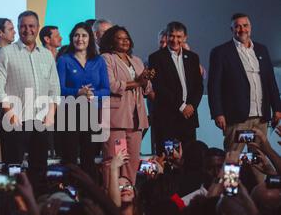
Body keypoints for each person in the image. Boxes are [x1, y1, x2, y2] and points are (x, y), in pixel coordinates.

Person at [0, 10, 60, 194]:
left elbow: (55, 88)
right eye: (23, 26)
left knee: (39, 168)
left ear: (38, 28)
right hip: (16, 120)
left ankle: (39, 207)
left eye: (31, 26)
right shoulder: (6, 53)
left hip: (41, 121)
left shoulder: (46, 55)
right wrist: (10, 113)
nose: (27, 29)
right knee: (12, 168)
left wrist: (51, 114)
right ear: (18, 27)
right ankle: (9, 210)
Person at [208, 13, 281, 153]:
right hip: (236, 117)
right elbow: (214, 86)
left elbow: (270, 82)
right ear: (232, 30)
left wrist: (277, 108)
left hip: (261, 117)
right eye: (237, 26)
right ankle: (230, 177)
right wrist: (218, 113)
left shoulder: (261, 50)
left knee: (259, 160)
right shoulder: (220, 52)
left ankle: (259, 176)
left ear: (250, 28)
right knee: (232, 159)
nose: (242, 29)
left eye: (245, 25)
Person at [57, 22, 109, 182]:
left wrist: (91, 94)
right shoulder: (64, 60)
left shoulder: (98, 61)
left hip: (91, 114)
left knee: (89, 159)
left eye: (84, 35)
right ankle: (68, 194)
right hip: (69, 115)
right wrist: (77, 92)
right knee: (70, 158)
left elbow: (106, 89)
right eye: (76, 35)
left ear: (90, 38)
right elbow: (59, 89)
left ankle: (90, 197)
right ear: (72, 38)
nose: (80, 39)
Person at [100, 25, 153, 184]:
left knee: (132, 160)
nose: (124, 41)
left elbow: (147, 88)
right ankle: (112, 197)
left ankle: (129, 195)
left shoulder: (136, 60)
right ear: (111, 41)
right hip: (116, 120)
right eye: (120, 38)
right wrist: (137, 82)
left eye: (127, 38)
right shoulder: (106, 58)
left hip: (136, 119)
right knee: (116, 160)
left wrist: (145, 81)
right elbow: (111, 85)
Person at [148, 21, 204, 154]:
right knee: (168, 159)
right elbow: (159, 86)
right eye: (171, 36)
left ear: (185, 38)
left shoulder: (193, 57)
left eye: (179, 37)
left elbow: (198, 86)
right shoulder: (156, 57)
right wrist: (181, 106)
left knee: (190, 157)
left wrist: (192, 105)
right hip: (167, 118)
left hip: (189, 118)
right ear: (166, 37)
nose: (175, 40)